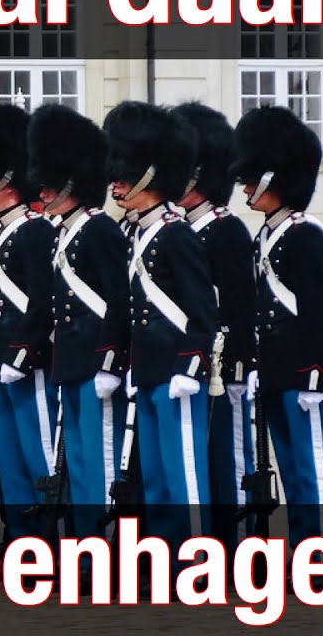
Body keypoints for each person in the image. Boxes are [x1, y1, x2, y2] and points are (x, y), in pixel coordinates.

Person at [104, 101, 219, 571]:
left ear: (149, 177)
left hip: (175, 369)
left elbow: (202, 308)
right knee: (154, 475)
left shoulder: (176, 235)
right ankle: (168, 558)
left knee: (183, 472)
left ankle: (197, 562)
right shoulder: (135, 234)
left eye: (124, 178)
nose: (116, 186)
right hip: (146, 369)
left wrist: (191, 364)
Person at [231, 105, 323, 548]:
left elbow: (317, 309)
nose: (244, 188)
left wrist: (319, 368)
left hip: (303, 370)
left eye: (252, 178)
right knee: (293, 470)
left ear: (275, 178)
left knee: (313, 466)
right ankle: (302, 546)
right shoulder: (266, 235)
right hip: (276, 370)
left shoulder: (306, 235)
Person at [26, 104, 130, 542]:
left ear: (70, 183)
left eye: (50, 184)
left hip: (95, 362)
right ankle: (86, 545)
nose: (43, 191)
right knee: (81, 462)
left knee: (101, 462)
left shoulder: (100, 229)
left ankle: (102, 549)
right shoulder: (63, 231)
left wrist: (110, 358)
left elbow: (118, 301)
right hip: (70, 361)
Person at [171, 101, 257, 558]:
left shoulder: (226, 231)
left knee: (229, 459)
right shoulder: (178, 230)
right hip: (185, 361)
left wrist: (239, 366)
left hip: (223, 367)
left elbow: (240, 306)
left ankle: (238, 548)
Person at [0, 104, 60, 544]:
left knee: (39, 453)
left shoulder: (36, 231)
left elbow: (43, 302)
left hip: (31, 362)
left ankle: (51, 536)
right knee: (7, 456)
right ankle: (22, 536)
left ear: (10, 180)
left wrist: (21, 352)